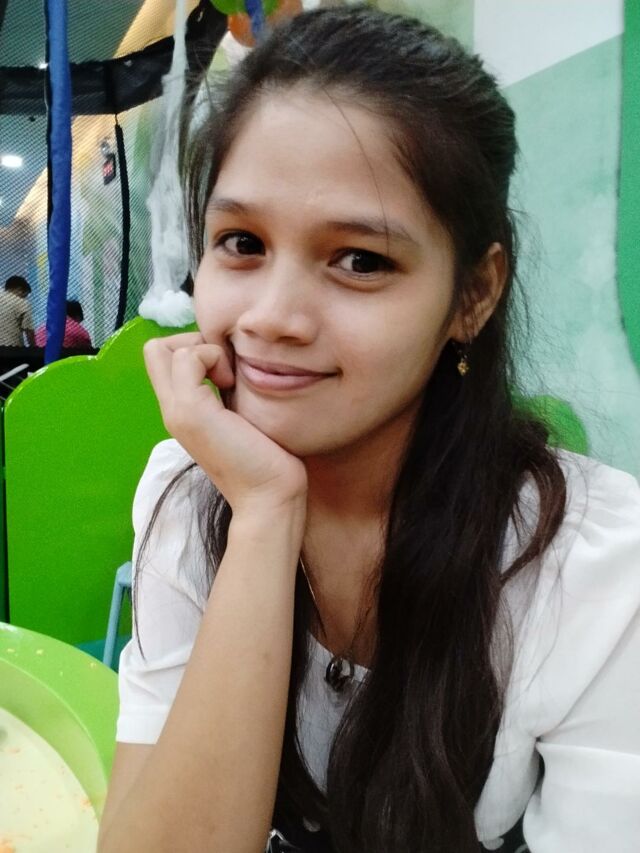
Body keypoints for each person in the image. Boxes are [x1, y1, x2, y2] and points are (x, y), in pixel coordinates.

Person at [99, 7, 640, 853]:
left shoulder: (594, 567)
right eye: (241, 242)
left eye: (360, 260)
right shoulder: (188, 495)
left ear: (473, 295)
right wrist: (266, 515)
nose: (271, 317)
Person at [0, 276, 35, 346]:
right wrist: (33, 347)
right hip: (11, 348)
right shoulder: (22, 303)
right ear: (19, 289)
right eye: (24, 296)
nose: (24, 298)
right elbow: (29, 332)